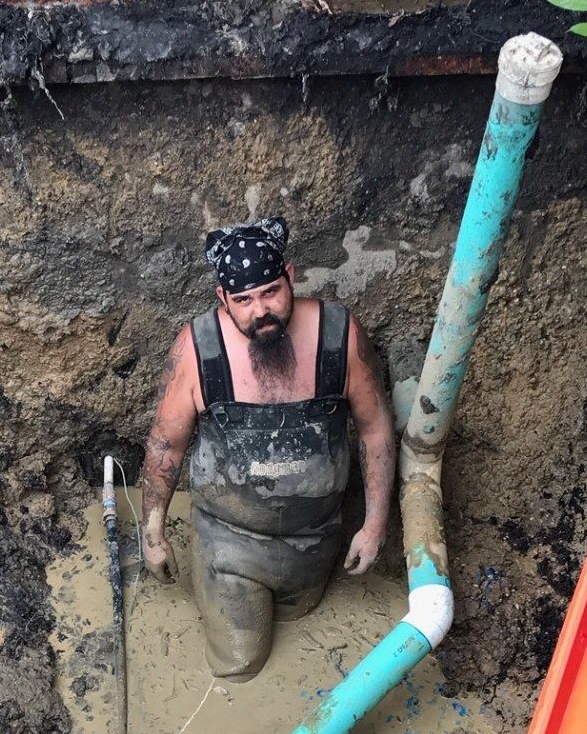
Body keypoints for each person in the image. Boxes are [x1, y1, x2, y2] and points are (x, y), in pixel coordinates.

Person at [139, 217, 395, 679]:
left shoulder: (340, 334)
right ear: (223, 299)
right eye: (243, 299)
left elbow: (375, 429)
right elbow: (166, 445)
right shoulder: (199, 349)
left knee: (303, 621)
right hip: (231, 543)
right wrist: (153, 533)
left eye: (271, 291)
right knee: (241, 666)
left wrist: (373, 525)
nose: (261, 311)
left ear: (292, 276)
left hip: (317, 539)